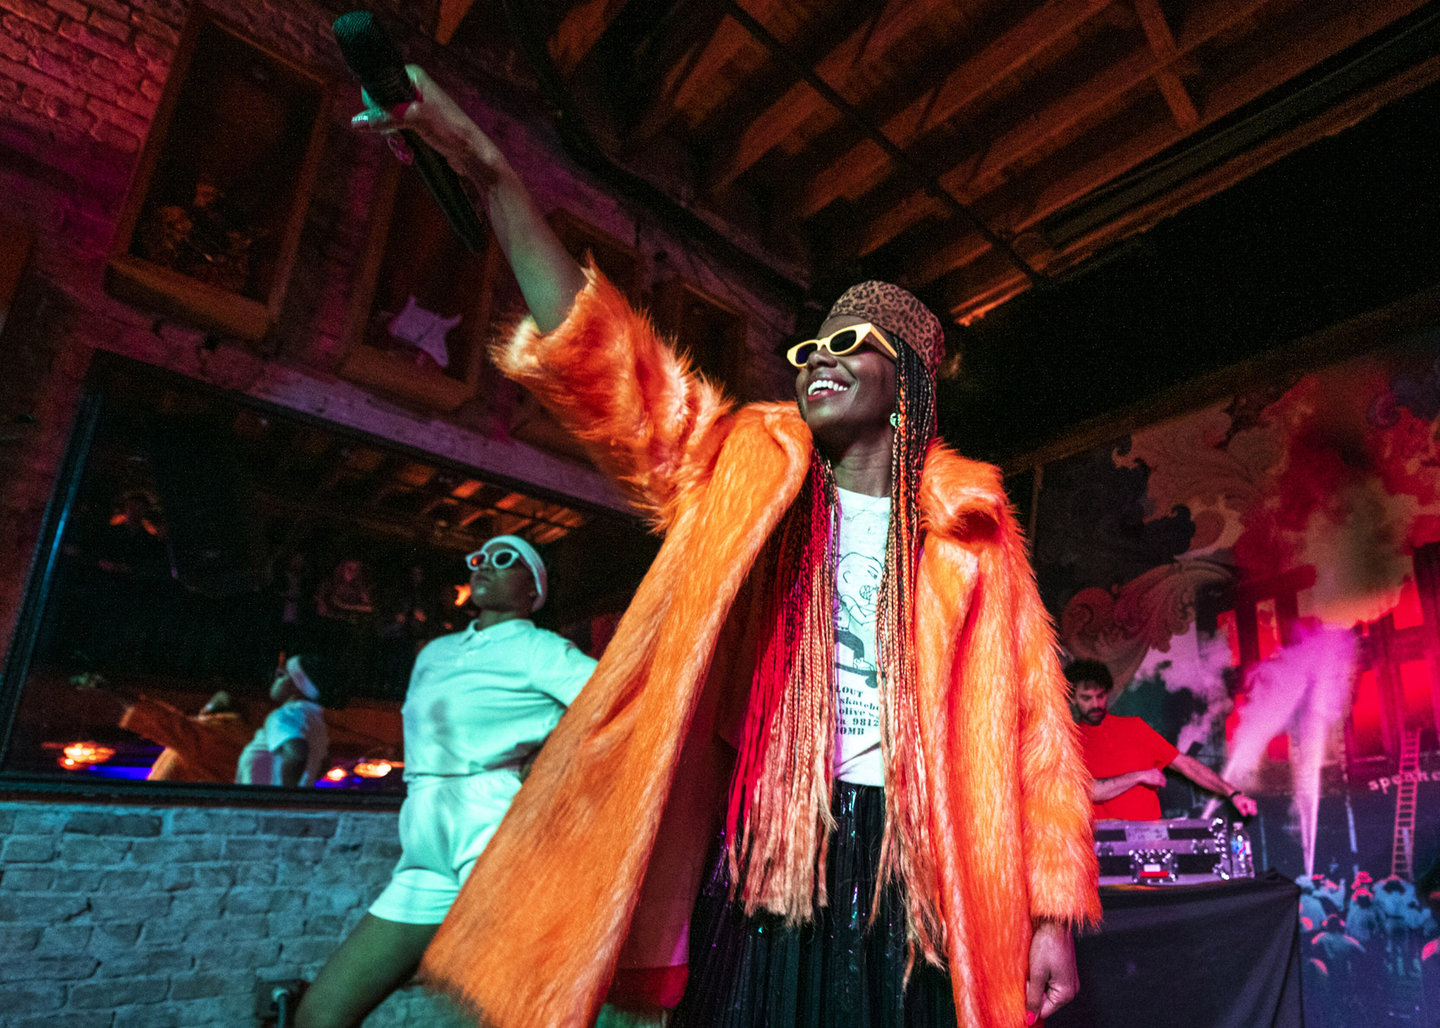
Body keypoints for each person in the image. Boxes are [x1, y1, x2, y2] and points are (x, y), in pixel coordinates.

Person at [347, 67, 1099, 1028]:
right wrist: (493, 172)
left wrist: (1052, 915)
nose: (820, 358)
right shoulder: (746, 473)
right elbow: (606, 362)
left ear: (909, 381)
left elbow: (1036, 737)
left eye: (852, 342)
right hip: (770, 842)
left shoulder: (973, 531)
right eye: (811, 347)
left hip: (925, 859)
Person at [295, 536, 598, 1028]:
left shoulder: (540, 648)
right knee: (320, 1013)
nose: (486, 565)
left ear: (534, 590)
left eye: (505, 559)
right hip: (424, 829)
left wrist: (548, 755)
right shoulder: (434, 652)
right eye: (480, 559)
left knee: (512, 1011)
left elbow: (614, 700)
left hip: (492, 820)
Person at [1065, 659, 1258, 819]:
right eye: (1086, 698)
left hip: (1151, 841)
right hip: (1103, 844)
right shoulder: (1068, 742)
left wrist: (1232, 793)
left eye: (1100, 696)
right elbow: (1090, 791)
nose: (1095, 704)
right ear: (1072, 698)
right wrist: (1139, 776)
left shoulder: (1135, 728)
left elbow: (1186, 765)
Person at [70, 674, 253, 783]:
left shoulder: (211, 738)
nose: (198, 714)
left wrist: (112, 690)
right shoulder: (240, 743)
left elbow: (162, 720)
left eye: (203, 711)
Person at [235, 653, 334, 788]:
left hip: (269, 800)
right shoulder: (312, 716)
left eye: (282, 674)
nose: (276, 676)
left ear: (296, 685)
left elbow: (297, 754)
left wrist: (286, 794)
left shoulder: (286, 714)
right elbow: (325, 763)